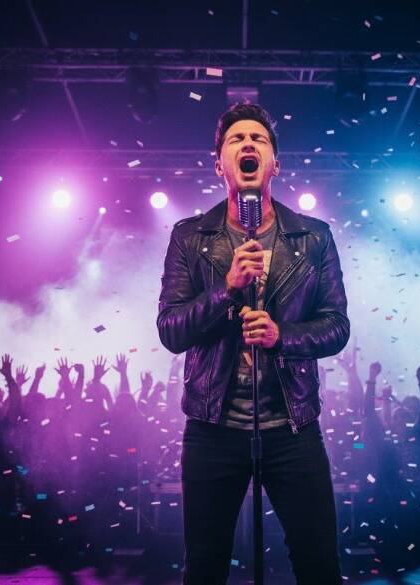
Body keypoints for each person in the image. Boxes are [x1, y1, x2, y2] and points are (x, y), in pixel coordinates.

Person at [157, 102, 350, 585]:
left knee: (318, 561)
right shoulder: (189, 237)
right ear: (219, 162)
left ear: (274, 164)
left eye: (259, 139)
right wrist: (227, 287)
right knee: (205, 565)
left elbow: (336, 326)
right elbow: (171, 330)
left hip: (292, 426)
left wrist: (282, 336)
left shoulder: (314, 237)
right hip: (213, 427)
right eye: (236, 139)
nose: (248, 144)